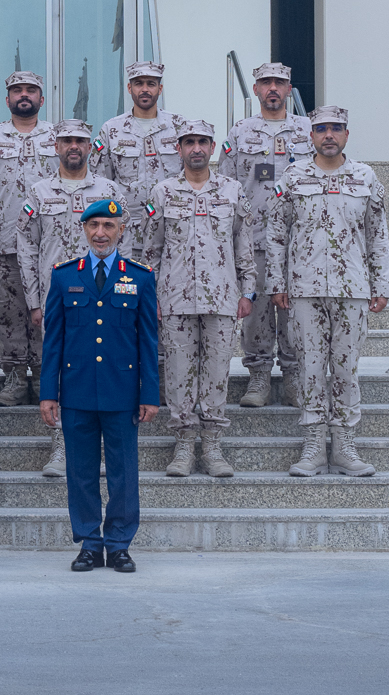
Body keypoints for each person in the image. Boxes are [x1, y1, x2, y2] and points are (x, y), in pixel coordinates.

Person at [265, 106, 389, 477]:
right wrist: (276, 283)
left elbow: (378, 236)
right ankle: (312, 447)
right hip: (303, 289)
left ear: (347, 135)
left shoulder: (365, 177)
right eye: (321, 129)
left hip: (352, 288)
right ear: (311, 135)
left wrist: (382, 284)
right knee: (308, 367)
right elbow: (276, 233)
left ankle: (344, 446)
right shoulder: (293, 176)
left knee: (345, 368)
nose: (329, 135)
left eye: (336, 129)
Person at [39, 199, 159, 572]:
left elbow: (149, 341)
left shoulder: (139, 276)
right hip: (76, 391)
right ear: (85, 230)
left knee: (124, 471)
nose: (101, 233)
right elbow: (53, 340)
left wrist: (150, 393)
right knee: (81, 470)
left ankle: (120, 543)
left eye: (108, 225)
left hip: (122, 391)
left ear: (122, 230)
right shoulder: (64, 275)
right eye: (94, 226)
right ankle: (90, 543)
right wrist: (48, 392)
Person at [141, 118, 255, 479]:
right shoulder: (162, 193)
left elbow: (244, 247)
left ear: (213, 147)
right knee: (177, 371)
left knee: (218, 370)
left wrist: (247, 291)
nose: (196, 148)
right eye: (188, 142)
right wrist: (150, 296)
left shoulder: (233, 191)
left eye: (202, 141)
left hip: (222, 297)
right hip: (174, 298)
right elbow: (151, 252)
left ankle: (213, 445)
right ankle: (185, 444)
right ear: (179, 148)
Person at [15, 120, 106, 479]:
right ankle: (61, 447)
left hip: (101, 300)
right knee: (59, 371)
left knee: (97, 371)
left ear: (90, 146)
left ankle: (95, 449)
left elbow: (124, 247)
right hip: (56, 300)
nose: (73, 147)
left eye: (80, 141)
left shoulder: (109, 190)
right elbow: (26, 246)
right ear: (55, 146)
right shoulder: (38, 192)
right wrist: (35, 300)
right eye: (67, 140)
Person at [221, 61, 314, 407]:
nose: (272, 88)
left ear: (289, 89)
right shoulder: (239, 133)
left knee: (294, 311)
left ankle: (293, 377)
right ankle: (258, 377)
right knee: (256, 313)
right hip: (253, 238)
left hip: (298, 241)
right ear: (256, 90)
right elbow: (226, 186)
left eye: (279, 82)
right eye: (266, 82)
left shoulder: (309, 131)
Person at [0, 72, 57, 406]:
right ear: (7, 99)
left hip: (48, 244)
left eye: (31, 90)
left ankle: (46, 376)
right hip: (3, 241)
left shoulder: (57, 136)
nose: (24, 95)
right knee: (7, 313)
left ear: (41, 98)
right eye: (17, 91)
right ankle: (16, 379)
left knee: (46, 313)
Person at [91, 60, 181, 257]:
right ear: (130, 88)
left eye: (151, 83)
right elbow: (101, 184)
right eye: (139, 83)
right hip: (127, 236)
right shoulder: (111, 130)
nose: (145, 89)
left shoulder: (178, 127)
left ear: (160, 88)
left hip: (172, 233)